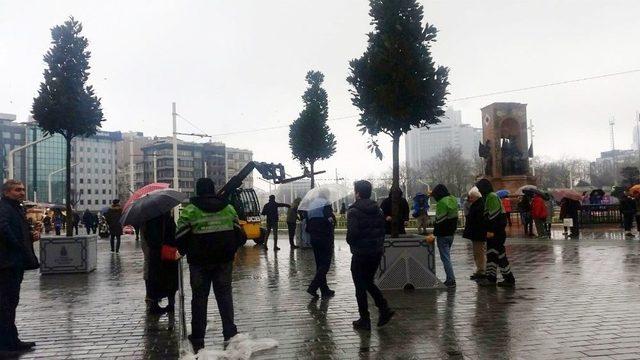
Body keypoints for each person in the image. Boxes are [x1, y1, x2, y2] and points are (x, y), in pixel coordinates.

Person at [174, 178, 245, 353]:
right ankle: (229, 332)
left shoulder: (190, 211)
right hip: (224, 262)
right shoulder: (228, 208)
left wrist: (183, 250)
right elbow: (240, 236)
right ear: (213, 190)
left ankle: (198, 337)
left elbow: (180, 236)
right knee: (225, 296)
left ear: (198, 191)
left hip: (199, 263)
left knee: (199, 299)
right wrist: (231, 249)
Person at [347, 180, 394, 330]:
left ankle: (365, 319)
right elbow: (382, 229)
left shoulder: (353, 211)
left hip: (361, 253)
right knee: (368, 281)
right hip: (376, 252)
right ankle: (384, 308)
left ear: (358, 193)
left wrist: (350, 241)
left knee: (360, 286)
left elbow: (353, 234)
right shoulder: (378, 210)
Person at [0, 180, 39, 352]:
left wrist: (29, 236)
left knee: (11, 303)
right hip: (6, 264)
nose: (22, 192)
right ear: (6, 192)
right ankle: (6, 344)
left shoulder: (16, 208)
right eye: (17, 190)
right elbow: (3, 229)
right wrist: (19, 245)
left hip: (14, 262)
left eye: (23, 189)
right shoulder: (4, 208)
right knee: (5, 304)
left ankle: (12, 340)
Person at [475, 179, 516, 287]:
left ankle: (499, 278)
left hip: (495, 233)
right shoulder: (489, 197)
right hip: (496, 232)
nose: (479, 190)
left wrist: (490, 231)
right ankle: (499, 278)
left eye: (479, 188)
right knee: (496, 255)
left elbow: (494, 217)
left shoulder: (491, 197)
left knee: (496, 255)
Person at [141, 212, 178, 314]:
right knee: (170, 279)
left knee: (155, 279)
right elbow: (175, 235)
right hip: (168, 252)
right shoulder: (168, 218)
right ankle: (171, 304)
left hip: (155, 254)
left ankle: (154, 304)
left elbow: (146, 237)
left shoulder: (148, 220)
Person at [306, 189, 336, 298]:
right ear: (326, 195)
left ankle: (324, 290)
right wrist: (333, 219)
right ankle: (312, 287)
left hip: (314, 238)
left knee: (320, 265)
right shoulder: (326, 203)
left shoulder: (311, 205)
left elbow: (308, 223)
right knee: (325, 265)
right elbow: (330, 219)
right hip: (324, 237)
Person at [428, 184, 459, 288]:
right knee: (447, 256)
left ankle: (451, 280)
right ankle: (450, 279)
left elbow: (439, 221)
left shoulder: (441, 202)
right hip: (451, 233)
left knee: (445, 258)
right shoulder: (453, 199)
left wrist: (434, 233)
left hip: (443, 234)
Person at [463, 187, 486, 281]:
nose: (470, 199)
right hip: (476, 232)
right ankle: (479, 269)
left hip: (477, 233)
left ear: (476, 197)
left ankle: (481, 270)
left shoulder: (478, 205)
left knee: (479, 252)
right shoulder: (477, 204)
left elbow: (476, 219)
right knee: (477, 252)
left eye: (471, 197)